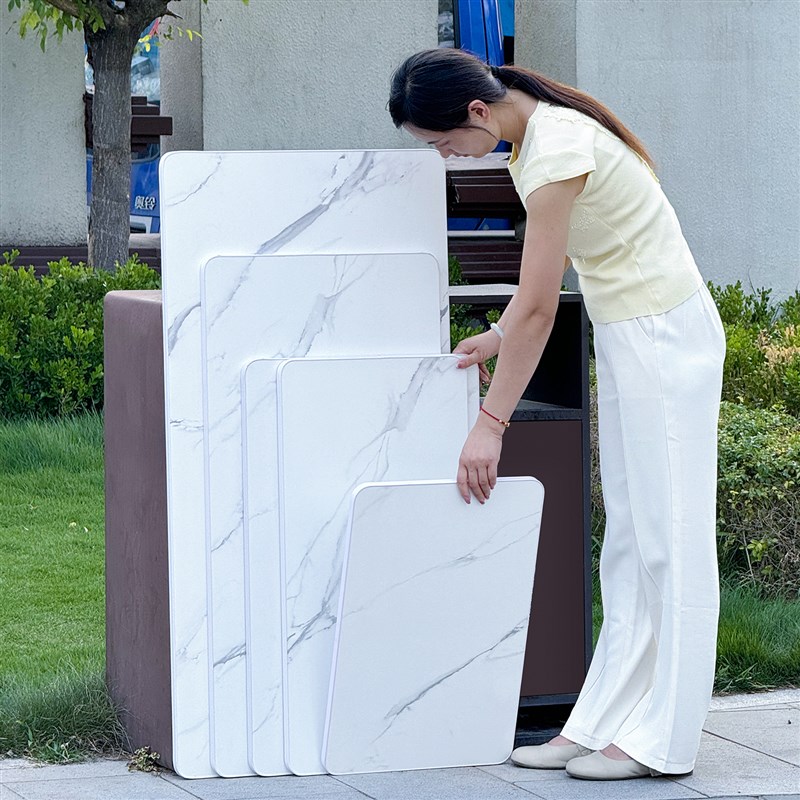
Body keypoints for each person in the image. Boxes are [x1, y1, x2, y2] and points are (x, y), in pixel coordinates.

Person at [389, 48, 725, 782]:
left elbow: (542, 305)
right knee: (631, 542)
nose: (445, 157)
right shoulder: (532, 140)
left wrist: (491, 425)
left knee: (671, 540)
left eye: (442, 142)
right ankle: (603, 721)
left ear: (476, 111)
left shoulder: (555, 149)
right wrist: (497, 335)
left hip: (665, 337)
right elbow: (538, 287)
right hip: (634, 333)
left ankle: (664, 741)